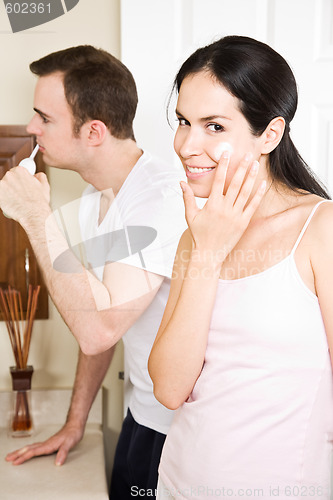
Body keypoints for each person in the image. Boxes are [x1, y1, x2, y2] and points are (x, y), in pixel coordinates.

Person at [148, 35, 333, 499]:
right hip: (178, 484)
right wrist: (207, 252)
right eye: (183, 122)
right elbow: (170, 389)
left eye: (214, 126)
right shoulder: (198, 236)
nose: (188, 145)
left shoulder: (320, 228)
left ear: (269, 134)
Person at [0, 45, 186, 499]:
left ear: (94, 131)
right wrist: (75, 423)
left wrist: (34, 216)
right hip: (140, 416)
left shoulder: (157, 201)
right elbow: (99, 311)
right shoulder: (94, 201)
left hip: (180, 433)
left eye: (44, 117)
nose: (31, 128)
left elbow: (97, 330)